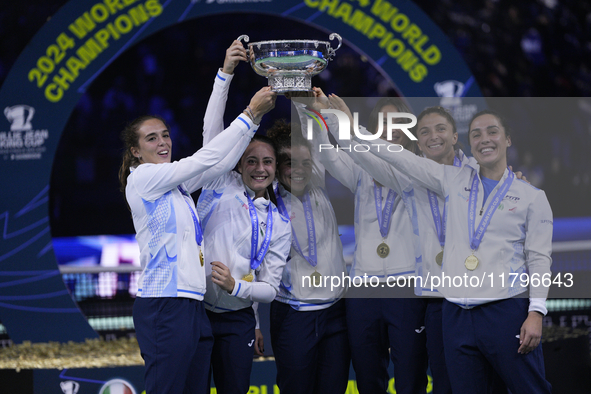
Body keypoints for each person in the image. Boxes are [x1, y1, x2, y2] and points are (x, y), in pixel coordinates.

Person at [348, 108, 553, 393]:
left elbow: (540, 258)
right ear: (468, 143)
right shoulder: (452, 181)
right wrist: (347, 126)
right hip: (454, 310)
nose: (485, 139)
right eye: (477, 134)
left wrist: (537, 311)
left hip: (505, 309)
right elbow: (397, 156)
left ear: (508, 139)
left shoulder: (530, 195)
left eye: (493, 132)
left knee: (527, 388)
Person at [119, 83, 274, 394]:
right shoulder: (143, 179)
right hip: (164, 304)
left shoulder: (174, 186)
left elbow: (218, 164)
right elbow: (203, 159)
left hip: (192, 305)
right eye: (152, 138)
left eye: (165, 135)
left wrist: (251, 120)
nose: (163, 142)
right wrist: (248, 114)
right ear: (136, 151)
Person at [197, 41, 291, 394]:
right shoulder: (219, 180)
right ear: (238, 163)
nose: (260, 168)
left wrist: (239, 291)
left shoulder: (279, 222)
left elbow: (268, 287)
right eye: (251, 160)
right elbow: (212, 129)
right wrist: (226, 73)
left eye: (267, 162)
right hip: (197, 313)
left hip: (237, 320)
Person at [266, 118, 351, 394]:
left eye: (305, 162)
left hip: (336, 313)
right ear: (278, 167)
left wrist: (305, 103)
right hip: (294, 314)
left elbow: (317, 137)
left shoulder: (318, 184)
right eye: (290, 163)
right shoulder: (267, 206)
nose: (299, 170)